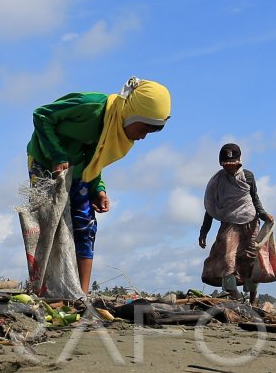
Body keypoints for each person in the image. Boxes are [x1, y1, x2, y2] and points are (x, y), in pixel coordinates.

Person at [27, 77, 171, 294]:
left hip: (80, 169)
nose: (142, 137)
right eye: (143, 129)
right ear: (131, 113)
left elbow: (95, 157)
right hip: (46, 162)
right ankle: (44, 290)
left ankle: (80, 295)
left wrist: (98, 189)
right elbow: (42, 115)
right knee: (48, 227)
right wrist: (57, 154)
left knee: (85, 225)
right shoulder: (91, 106)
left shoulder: (114, 126)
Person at [198, 142, 274, 304]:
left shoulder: (248, 176)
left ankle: (253, 302)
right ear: (221, 164)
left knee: (250, 261)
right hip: (229, 224)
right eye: (226, 164)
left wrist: (263, 214)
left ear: (239, 162)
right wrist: (204, 231)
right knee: (227, 260)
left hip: (251, 223)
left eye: (233, 164)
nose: (230, 168)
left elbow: (254, 198)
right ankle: (237, 300)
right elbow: (211, 207)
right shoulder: (217, 182)